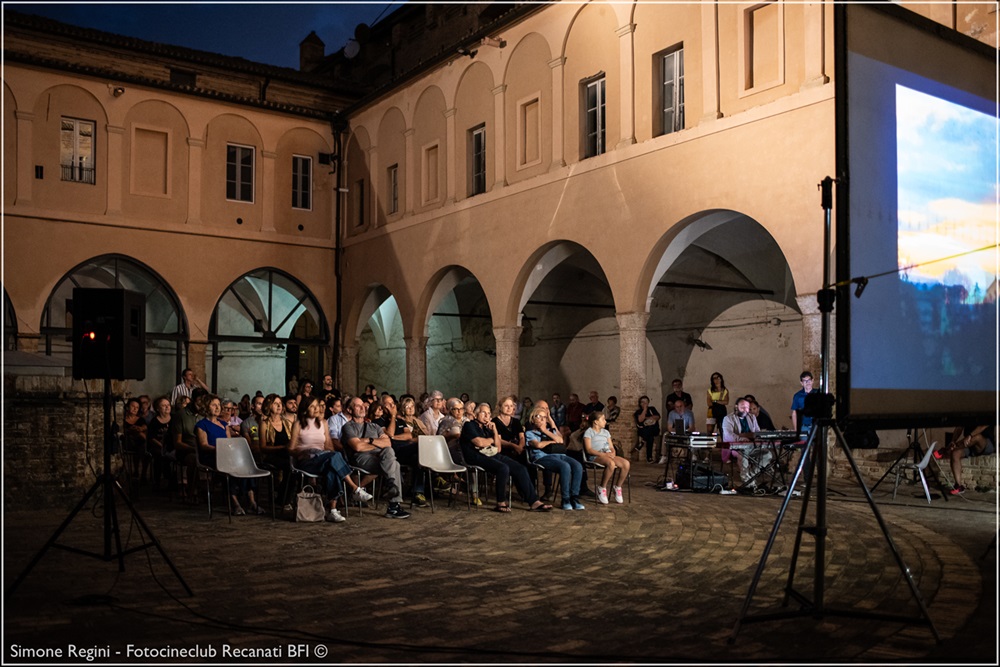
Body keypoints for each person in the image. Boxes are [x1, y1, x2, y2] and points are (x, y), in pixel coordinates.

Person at [289, 395, 373, 523]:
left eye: (317, 406)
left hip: (323, 457)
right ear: (305, 409)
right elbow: (291, 448)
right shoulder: (298, 424)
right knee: (334, 459)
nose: (317, 409)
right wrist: (302, 452)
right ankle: (354, 488)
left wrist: (329, 454)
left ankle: (333, 511)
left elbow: (328, 445)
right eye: (312, 406)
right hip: (307, 459)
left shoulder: (323, 423)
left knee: (332, 466)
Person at [459, 403, 551, 513]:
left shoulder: (488, 428)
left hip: (492, 454)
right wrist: (491, 440)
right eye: (483, 413)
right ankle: (500, 502)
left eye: (488, 413)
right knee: (503, 468)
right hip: (475, 456)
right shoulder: (469, 425)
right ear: (475, 414)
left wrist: (495, 432)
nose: (486, 416)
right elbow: (478, 442)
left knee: (520, 468)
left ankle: (534, 502)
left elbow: (498, 449)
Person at [341, 396, 411, 519]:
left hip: (381, 457)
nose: (363, 407)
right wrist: (376, 443)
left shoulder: (374, 426)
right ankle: (393, 505)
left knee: (389, 450)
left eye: (363, 405)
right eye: (358, 406)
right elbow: (357, 447)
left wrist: (369, 440)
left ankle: (390, 485)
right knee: (395, 465)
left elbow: (388, 443)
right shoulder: (348, 427)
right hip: (361, 459)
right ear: (350, 410)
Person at [195, 393, 262, 515]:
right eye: (213, 405)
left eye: (218, 405)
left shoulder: (224, 425)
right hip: (211, 456)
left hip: (226, 456)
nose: (217, 408)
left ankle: (251, 501)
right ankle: (235, 503)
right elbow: (203, 445)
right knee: (228, 470)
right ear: (206, 407)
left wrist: (229, 450)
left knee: (246, 467)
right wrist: (220, 449)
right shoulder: (201, 425)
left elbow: (229, 442)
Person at [525, 408, 585, 511]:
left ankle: (574, 497)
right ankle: (565, 499)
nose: (542, 419)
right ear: (533, 419)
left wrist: (547, 428)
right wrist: (552, 441)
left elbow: (560, 440)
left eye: (544, 417)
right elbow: (538, 445)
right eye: (538, 416)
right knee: (564, 466)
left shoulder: (550, 431)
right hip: (542, 457)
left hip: (560, 455)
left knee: (578, 466)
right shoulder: (530, 433)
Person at [583, 411, 631, 504]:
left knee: (626, 464)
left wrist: (613, 452)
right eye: (603, 419)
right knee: (611, 464)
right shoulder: (589, 432)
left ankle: (617, 487)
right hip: (596, 456)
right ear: (596, 422)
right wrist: (604, 455)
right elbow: (589, 449)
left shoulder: (606, 432)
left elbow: (611, 446)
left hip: (608, 454)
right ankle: (602, 488)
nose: (605, 421)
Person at [721, 397, 769, 489]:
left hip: (752, 446)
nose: (745, 409)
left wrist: (760, 437)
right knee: (742, 455)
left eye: (747, 407)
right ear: (736, 407)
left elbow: (757, 432)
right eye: (742, 406)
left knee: (767, 454)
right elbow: (728, 435)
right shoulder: (728, 419)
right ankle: (747, 480)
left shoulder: (752, 417)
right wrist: (741, 438)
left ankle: (751, 475)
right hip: (736, 447)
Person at [941, 425, 994, 495]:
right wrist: (953, 440)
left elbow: (982, 426)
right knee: (955, 453)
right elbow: (959, 427)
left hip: (985, 443)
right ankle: (958, 485)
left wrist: (970, 435)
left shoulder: (984, 414)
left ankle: (951, 448)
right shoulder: (966, 415)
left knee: (977, 437)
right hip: (969, 444)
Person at [146, 396, 173, 491]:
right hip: (158, 446)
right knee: (160, 456)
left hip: (171, 446)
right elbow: (151, 437)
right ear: (158, 408)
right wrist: (161, 445)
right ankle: (158, 482)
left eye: (168, 405)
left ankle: (171, 482)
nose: (167, 407)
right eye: (164, 405)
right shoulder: (154, 421)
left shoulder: (174, 419)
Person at [660, 398, 696, 464]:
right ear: (674, 407)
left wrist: (685, 431)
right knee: (665, 435)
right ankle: (664, 455)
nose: (679, 408)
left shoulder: (689, 413)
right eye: (677, 407)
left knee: (693, 435)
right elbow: (669, 427)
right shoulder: (671, 413)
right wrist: (675, 431)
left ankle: (693, 454)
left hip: (687, 431)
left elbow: (692, 427)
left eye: (681, 406)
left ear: (684, 406)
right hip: (676, 431)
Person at [633, 395, 660, 463]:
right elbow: (640, 420)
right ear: (640, 403)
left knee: (651, 429)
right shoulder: (638, 412)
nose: (644, 404)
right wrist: (645, 410)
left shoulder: (652, 409)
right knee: (650, 437)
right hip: (643, 430)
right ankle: (649, 458)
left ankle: (642, 442)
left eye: (646, 402)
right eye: (642, 402)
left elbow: (657, 417)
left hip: (654, 429)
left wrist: (648, 418)